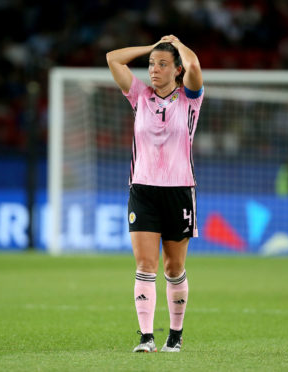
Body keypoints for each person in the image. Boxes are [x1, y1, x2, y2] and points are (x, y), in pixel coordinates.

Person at [106, 35, 204, 353]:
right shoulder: (139, 96)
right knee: (145, 264)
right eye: (151, 65)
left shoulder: (190, 98)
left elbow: (194, 65)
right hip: (143, 189)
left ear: (177, 70)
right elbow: (113, 58)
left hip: (179, 191)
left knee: (173, 268)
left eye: (163, 65)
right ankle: (146, 338)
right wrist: (152, 49)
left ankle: (174, 335)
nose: (154, 70)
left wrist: (177, 44)